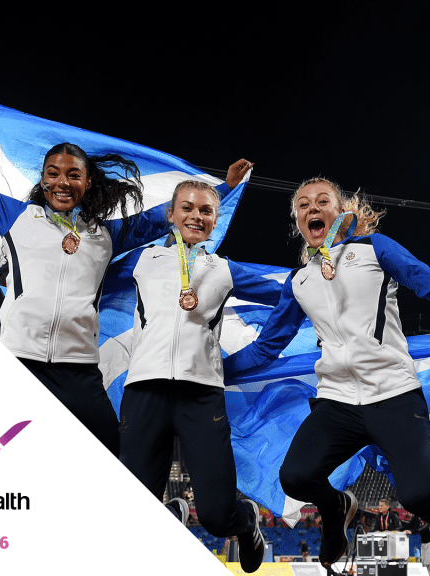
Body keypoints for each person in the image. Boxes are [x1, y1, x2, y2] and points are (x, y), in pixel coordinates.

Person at [0, 84, 252, 457]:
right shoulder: (15, 216)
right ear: (43, 180)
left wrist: (223, 186)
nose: (62, 182)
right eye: (53, 173)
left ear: (88, 182)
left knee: (114, 451)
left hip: (78, 369)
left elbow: (168, 214)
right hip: (18, 357)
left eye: (72, 174)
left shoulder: (108, 234)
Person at [224, 177, 430, 572]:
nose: (312, 209)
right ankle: (336, 507)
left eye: (322, 201)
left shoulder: (374, 249)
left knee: (420, 496)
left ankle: (429, 468)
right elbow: (268, 346)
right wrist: (215, 370)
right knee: (295, 478)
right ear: (297, 220)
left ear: (341, 211)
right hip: (338, 404)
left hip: (394, 394)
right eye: (303, 205)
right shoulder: (299, 281)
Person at [118, 179, 281, 573]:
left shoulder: (223, 270)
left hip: (201, 395)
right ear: (170, 215)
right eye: (187, 208)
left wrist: (261, 350)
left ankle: (245, 523)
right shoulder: (140, 261)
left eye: (206, 210)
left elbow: (291, 295)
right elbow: (82, 269)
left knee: (215, 516)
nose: (196, 215)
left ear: (215, 221)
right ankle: (171, 517)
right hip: (144, 391)